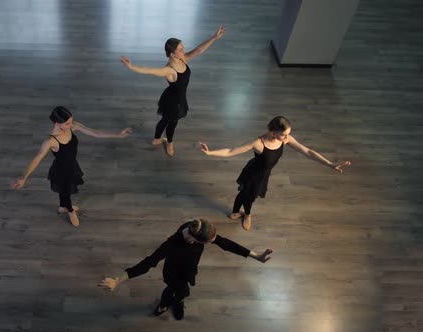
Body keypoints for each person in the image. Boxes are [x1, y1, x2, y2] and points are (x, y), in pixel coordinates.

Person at [98, 218, 272, 320]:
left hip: (189, 270)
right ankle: (167, 303)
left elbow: (226, 244)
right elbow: (149, 262)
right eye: (208, 242)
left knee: (181, 290)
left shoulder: (195, 227)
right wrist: (118, 280)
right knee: (177, 290)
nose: (212, 242)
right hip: (173, 274)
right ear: (195, 239)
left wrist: (255, 256)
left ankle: (175, 300)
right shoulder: (171, 244)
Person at [200, 116, 351, 230]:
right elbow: (230, 151)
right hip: (253, 173)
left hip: (264, 174)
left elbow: (307, 151)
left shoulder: (284, 139)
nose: (287, 138)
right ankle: (245, 213)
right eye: (284, 134)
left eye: (288, 134)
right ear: (272, 132)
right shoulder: (258, 143)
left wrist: (329, 164)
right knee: (248, 195)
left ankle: (239, 212)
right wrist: (210, 153)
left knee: (247, 194)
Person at [11, 106, 132, 227]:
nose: (71, 124)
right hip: (61, 170)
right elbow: (37, 159)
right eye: (67, 123)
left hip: (72, 165)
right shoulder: (50, 140)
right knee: (65, 190)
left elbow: (96, 133)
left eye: (71, 121)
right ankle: (70, 210)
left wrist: (118, 134)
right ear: (58, 124)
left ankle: (62, 207)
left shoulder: (73, 126)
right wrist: (23, 177)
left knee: (65, 190)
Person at [120, 25, 225, 157]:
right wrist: (132, 67)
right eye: (180, 49)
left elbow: (198, 50)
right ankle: (169, 142)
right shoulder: (169, 70)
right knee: (171, 123)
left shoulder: (182, 58)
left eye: (183, 48)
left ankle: (156, 139)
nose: (184, 50)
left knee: (165, 120)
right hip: (174, 103)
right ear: (172, 54)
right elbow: (149, 70)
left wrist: (214, 37)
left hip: (175, 98)